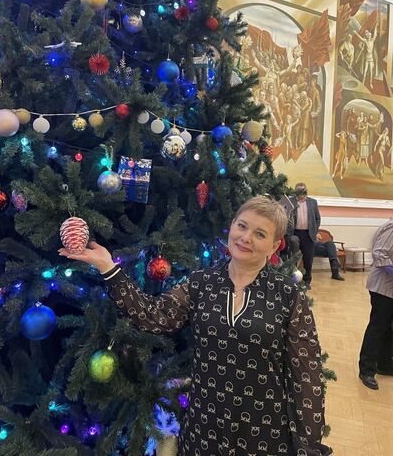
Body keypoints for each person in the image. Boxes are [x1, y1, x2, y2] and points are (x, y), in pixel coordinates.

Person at [59, 196, 332, 456]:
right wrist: (108, 267)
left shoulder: (287, 295)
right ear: (232, 226)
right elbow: (153, 316)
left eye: (260, 234)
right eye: (242, 226)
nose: (246, 237)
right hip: (204, 428)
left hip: (265, 433)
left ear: (274, 246)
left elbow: (306, 374)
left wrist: (308, 445)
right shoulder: (202, 283)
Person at [359, 219, 393, 390]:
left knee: (390, 328)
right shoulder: (391, 228)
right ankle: (366, 370)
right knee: (378, 327)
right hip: (382, 288)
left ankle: (384, 364)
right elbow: (380, 254)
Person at [291, 183, 321, 289]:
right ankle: (293, 281)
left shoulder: (313, 202)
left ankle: (307, 281)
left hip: (308, 235)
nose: (301, 195)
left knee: (308, 259)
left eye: (303, 192)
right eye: (299, 192)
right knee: (293, 259)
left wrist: (314, 231)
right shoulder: (291, 201)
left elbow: (318, 218)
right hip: (294, 234)